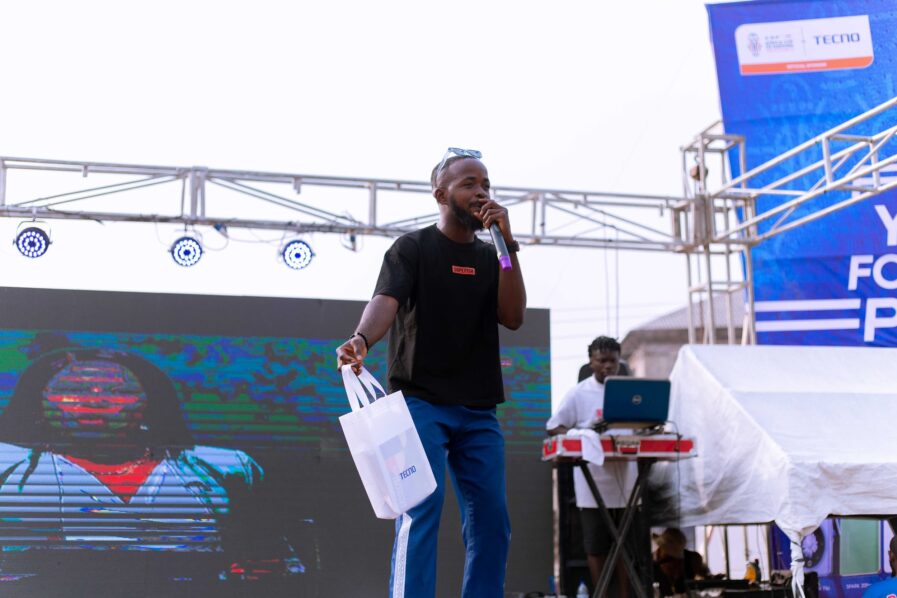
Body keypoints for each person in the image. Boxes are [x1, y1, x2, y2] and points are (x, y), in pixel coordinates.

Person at [335, 147, 526, 598]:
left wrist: (509, 245)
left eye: (485, 184)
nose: (481, 192)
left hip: (479, 410)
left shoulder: (492, 256)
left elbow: (513, 315)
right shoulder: (413, 248)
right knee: (422, 506)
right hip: (421, 404)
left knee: (492, 520)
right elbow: (385, 300)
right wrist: (361, 339)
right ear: (441, 194)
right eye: (469, 184)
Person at [0, 347, 302, 589]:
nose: (94, 400)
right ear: (39, 402)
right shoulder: (9, 467)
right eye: (72, 388)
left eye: (115, 390)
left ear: (149, 403)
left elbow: (274, 562)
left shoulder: (226, 468)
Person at [546, 336, 642, 597]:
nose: (608, 366)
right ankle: (601, 593)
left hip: (628, 479)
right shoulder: (579, 393)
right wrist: (580, 434)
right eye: (602, 361)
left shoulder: (631, 390)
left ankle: (625, 595)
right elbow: (553, 426)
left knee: (625, 545)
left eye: (613, 361)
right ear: (591, 362)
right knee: (596, 544)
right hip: (592, 482)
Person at [652, 527, 710, 597]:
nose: (673, 564)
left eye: (676, 560)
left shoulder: (691, 560)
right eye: (669, 558)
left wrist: (709, 578)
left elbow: (704, 574)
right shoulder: (650, 567)